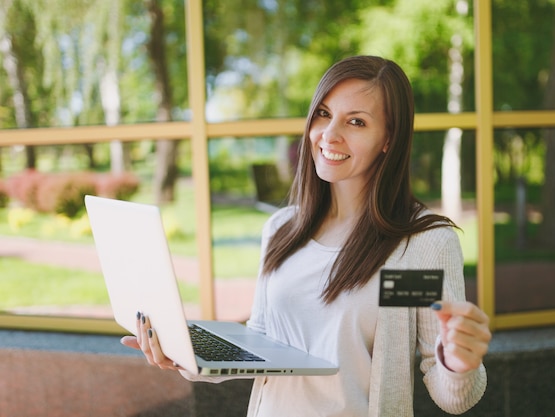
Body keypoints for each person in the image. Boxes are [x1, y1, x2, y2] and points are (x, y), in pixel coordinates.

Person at [122, 55, 491, 416]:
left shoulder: (420, 245)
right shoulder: (283, 228)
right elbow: (263, 341)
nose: (330, 135)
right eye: (324, 114)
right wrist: (187, 355)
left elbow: (452, 396)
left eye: (357, 122)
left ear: (388, 140)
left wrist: (458, 364)